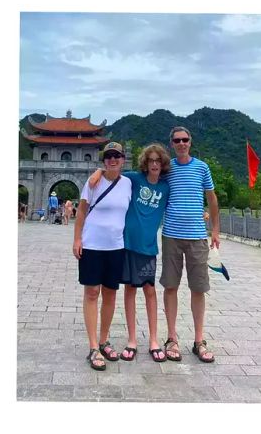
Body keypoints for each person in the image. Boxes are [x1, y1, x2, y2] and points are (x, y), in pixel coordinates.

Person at [88, 144, 171, 362]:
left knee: (150, 291)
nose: (154, 164)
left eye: (158, 161)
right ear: (145, 162)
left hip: (148, 247)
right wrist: (98, 171)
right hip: (125, 244)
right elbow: (112, 171)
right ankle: (132, 340)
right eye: (151, 160)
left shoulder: (166, 187)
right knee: (129, 291)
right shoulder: (134, 179)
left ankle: (154, 339)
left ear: (162, 164)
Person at [160, 126, 220, 363]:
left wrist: (215, 230)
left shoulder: (202, 167)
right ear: (172, 144)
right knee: (171, 286)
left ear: (190, 142)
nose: (182, 143)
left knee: (198, 288)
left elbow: (212, 199)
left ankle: (198, 340)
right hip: (172, 236)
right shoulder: (167, 169)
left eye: (185, 139)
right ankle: (172, 338)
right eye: (177, 140)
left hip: (197, 236)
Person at [72, 142, 132, 371]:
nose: (112, 159)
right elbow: (82, 211)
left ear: (123, 159)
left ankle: (104, 339)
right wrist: (77, 240)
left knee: (110, 294)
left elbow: (153, 175)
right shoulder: (92, 182)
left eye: (117, 156)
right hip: (92, 245)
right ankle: (93, 346)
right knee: (91, 292)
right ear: (103, 160)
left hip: (116, 246)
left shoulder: (129, 183)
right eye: (108, 156)